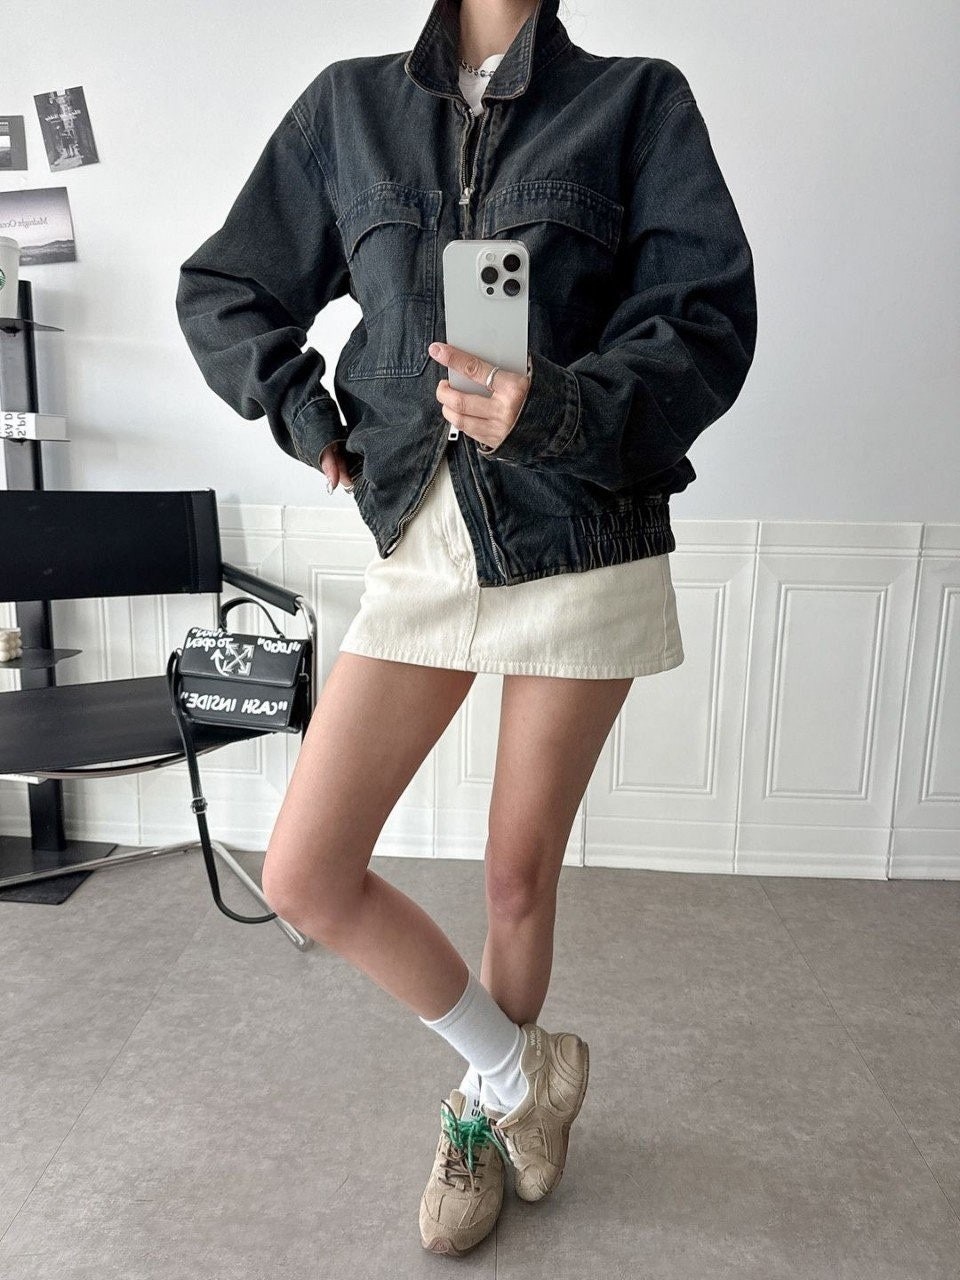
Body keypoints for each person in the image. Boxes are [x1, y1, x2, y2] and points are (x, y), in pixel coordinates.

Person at [176, 0, 757, 1258]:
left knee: (514, 873)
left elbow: (704, 325)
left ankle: (483, 1118)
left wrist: (556, 407)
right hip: (423, 532)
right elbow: (225, 287)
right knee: (306, 872)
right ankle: (517, 1072)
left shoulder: (636, 100)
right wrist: (304, 414)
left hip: (581, 525)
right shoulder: (348, 107)